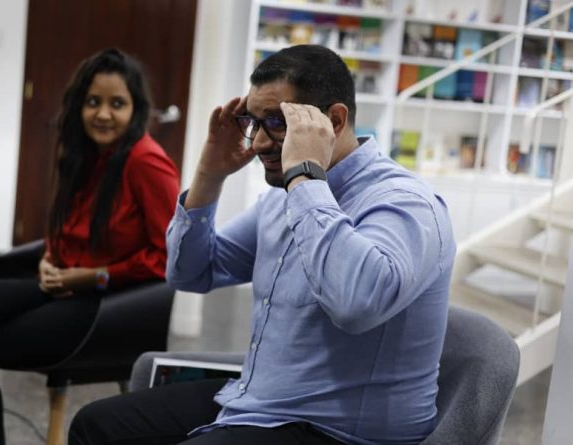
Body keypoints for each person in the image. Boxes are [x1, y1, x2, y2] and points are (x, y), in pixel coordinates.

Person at [69, 44, 456, 445]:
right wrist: (209, 175)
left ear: (334, 121)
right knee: (95, 425)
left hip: (338, 431)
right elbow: (190, 273)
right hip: (262, 403)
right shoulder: (283, 198)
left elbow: (356, 305)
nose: (256, 143)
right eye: (253, 122)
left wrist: (306, 179)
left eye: (276, 122)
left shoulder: (406, 203)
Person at [0, 48, 180, 445]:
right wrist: (49, 257)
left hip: (107, 304)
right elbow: (70, 231)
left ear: (136, 109)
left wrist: (93, 277)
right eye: (93, 102)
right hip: (64, 286)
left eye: (117, 104)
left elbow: (168, 258)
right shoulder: (85, 154)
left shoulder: (147, 162)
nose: (103, 114)